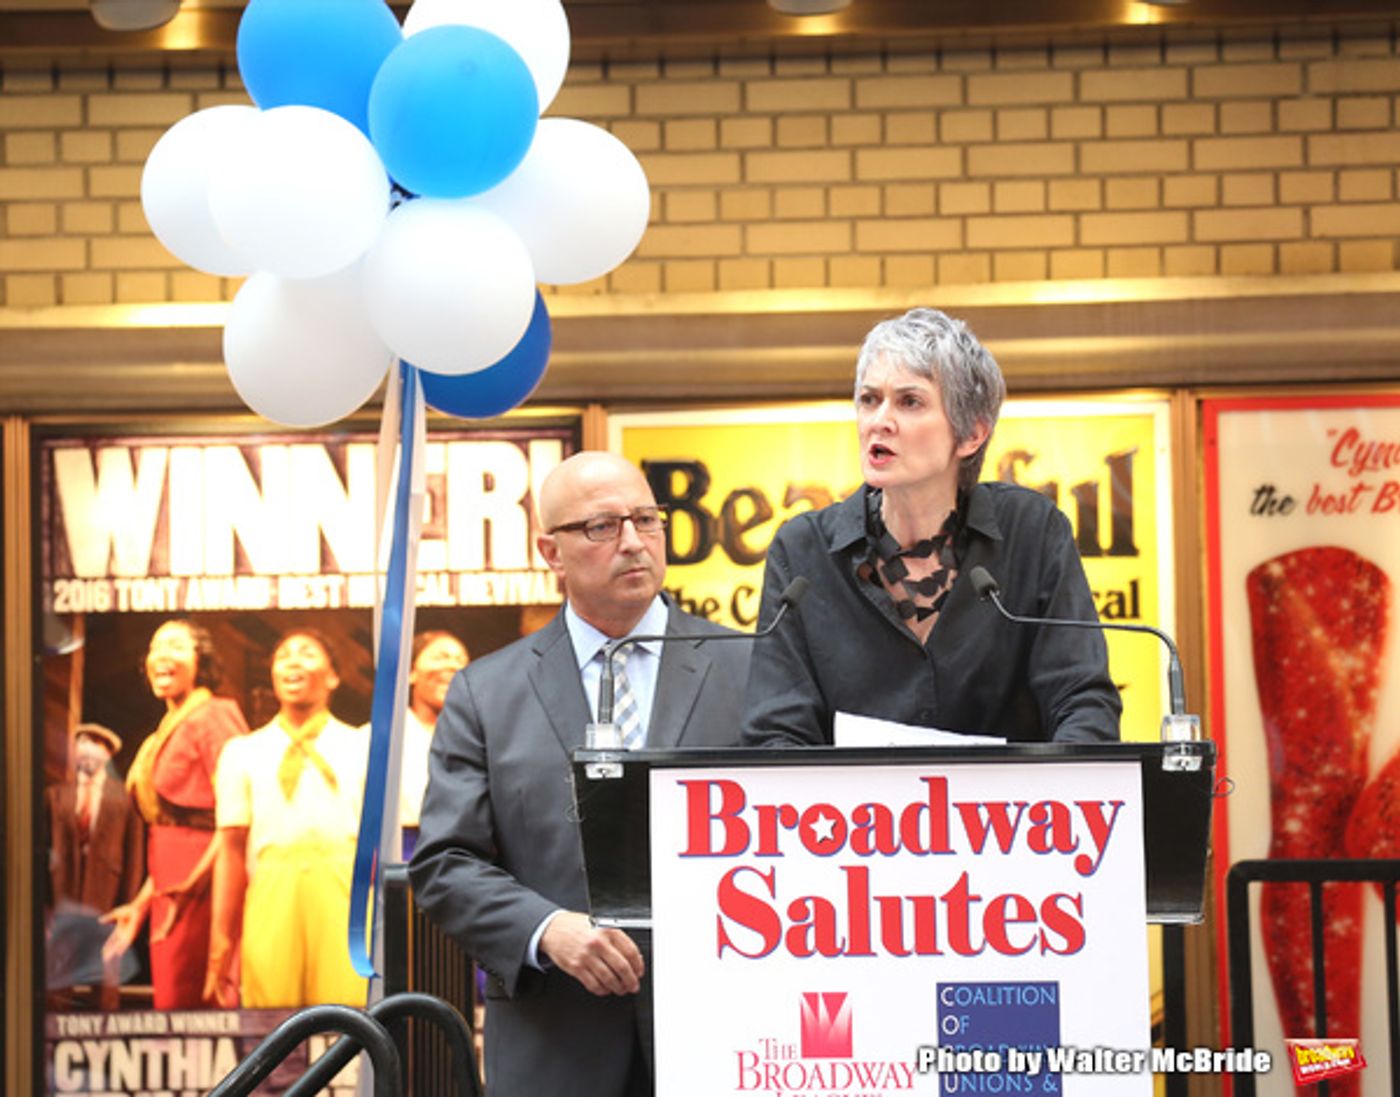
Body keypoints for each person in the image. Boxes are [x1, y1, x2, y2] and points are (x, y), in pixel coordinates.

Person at [410, 451, 751, 1097]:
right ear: (551, 550)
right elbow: (445, 861)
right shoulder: (487, 691)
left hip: (721, 1033)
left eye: (647, 520)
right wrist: (547, 929)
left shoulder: (749, 665)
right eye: (601, 526)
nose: (632, 541)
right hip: (554, 1039)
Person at [742, 306, 1121, 747]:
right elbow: (776, 733)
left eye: (909, 402)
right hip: (851, 815)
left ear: (972, 434)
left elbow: (1082, 701)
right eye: (869, 399)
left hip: (1010, 813)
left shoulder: (1033, 533)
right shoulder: (802, 551)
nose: (879, 421)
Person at [207, 628, 368, 1009]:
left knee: (347, 1013)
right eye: (284, 655)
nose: (293, 660)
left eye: (307, 653)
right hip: (271, 887)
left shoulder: (362, 743)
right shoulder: (242, 751)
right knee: (271, 1015)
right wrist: (220, 941)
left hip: (345, 888)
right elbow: (229, 850)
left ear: (332, 677)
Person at [101, 619, 249, 1010]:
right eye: (155, 647)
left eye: (176, 646)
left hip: (206, 885)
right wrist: (141, 904)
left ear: (201, 662)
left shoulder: (214, 715)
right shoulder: (167, 726)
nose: (162, 655)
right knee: (174, 1002)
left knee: (201, 1004)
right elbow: (167, 833)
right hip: (172, 884)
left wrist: (194, 883)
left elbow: (237, 813)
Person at [46, 723, 145, 1008]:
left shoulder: (124, 799)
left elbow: (134, 854)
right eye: (84, 741)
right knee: (58, 981)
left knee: (105, 980)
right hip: (63, 900)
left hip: (107, 902)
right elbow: (41, 853)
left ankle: (103, 1035)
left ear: (108, 753)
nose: (89, 749)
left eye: (98, 744)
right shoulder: (55, 796)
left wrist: (129, 905)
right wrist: (45, 908)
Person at [398, 630, 470, 859]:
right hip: (402, 855)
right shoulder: (379, 738)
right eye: (440, 656)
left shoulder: (483, 737)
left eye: (460, 660)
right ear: (411, 672)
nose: (451, 665)